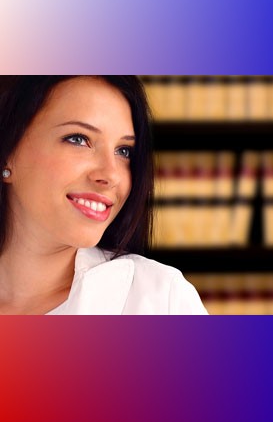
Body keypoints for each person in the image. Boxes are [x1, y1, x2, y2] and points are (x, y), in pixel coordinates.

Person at [0, 76, 208, 314]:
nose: (111, 175)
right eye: (79, 139)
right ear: (7, 152)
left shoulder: (161, 300)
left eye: (124, 151)